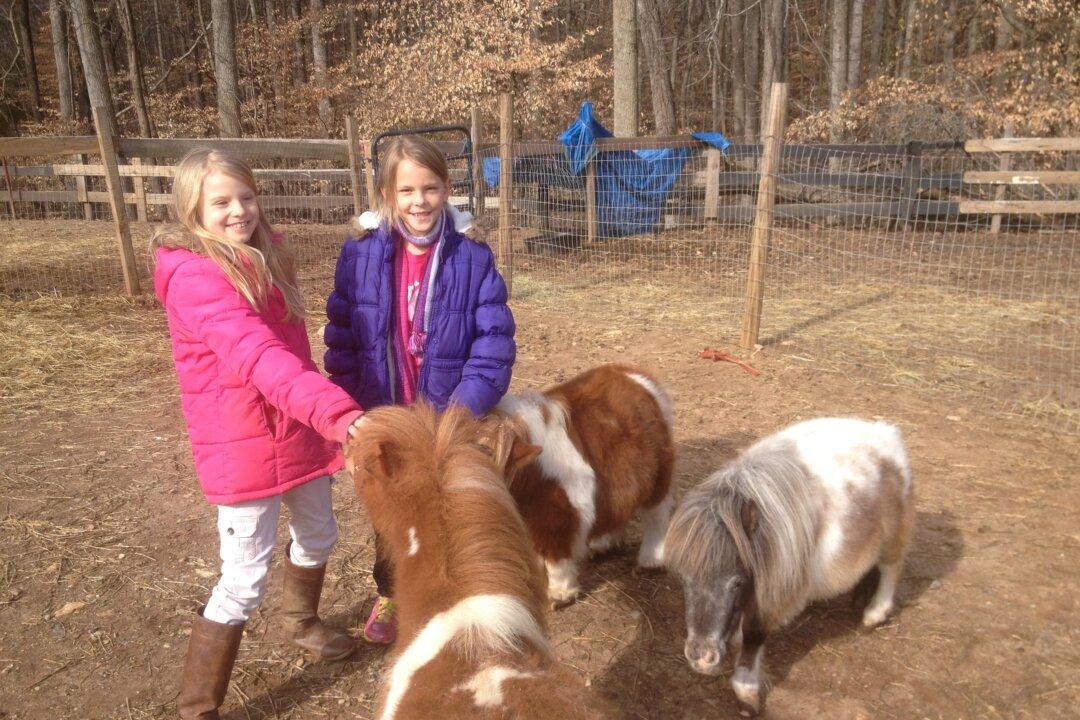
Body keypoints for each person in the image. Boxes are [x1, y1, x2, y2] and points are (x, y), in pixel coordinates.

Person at [152, 148, 366, 719]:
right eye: (220, 202)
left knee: (319, 535)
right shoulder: (195, 276)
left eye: (246, 197)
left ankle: (302, 624)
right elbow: (260, 358)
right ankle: (198, 707)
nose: (238, 211)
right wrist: (342, 417)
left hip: (295, 429)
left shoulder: (268, 255)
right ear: (192, 207)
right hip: (241, 445)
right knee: (244, 577)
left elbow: (291, 357)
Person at [324, 134, 516, 644]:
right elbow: (342, 337)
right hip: (383, 410)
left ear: (446, 188)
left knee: (450, 505)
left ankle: (451, 592)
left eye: (430, 188)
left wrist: (459, 414)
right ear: (387, 193)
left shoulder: (472, 256)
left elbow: (493, 345)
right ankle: (392, 590)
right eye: (406, 190)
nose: (419, 201)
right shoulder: (360, 254)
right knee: (391, 508)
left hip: (445, 413)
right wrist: (349, 413)